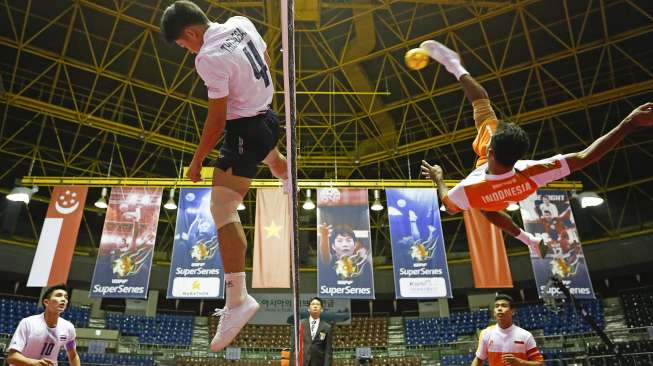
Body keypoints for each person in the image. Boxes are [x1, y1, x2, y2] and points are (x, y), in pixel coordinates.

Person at [418, 40, 653, 257]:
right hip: (513, 190)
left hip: (489, 189)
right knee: (485, 208)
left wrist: (438, 178)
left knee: (483, 108)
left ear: (490, 150)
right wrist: (628, 124)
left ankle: (454, 65)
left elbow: (449, 206)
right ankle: (530, 240)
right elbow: (586, 157)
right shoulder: (531, 172)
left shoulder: (470, 188)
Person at [160, 1, 288, 352]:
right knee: (270, 154)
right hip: (268, 116)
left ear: (190, 32)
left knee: (223, 207)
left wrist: (196, 162)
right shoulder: (240, 22)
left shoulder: (208, 58)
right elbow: (260, 58)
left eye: (183, 45)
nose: (187, 52)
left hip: (245, 127)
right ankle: (285, 175)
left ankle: (237, 300)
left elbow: (216, 124)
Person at [7, 284, 80, 366]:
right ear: (46, 302)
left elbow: (73, 355)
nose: (63, 299)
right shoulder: (28, 323)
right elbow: (12, 357)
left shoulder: (69, 328)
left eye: (66, 297)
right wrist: (35, 363)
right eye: (59, 295)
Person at [471, 294, 544, 366]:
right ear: (494, 312)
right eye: (497, 306)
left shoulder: (525, 335)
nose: (499, 308)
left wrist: (520, 362)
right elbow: (479, 359)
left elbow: (540, 364)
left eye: (504, 305)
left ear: (513, 311)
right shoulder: (486, 333)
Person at [292, 297, 334, 366]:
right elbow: (294, 347)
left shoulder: (327, 327)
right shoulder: (299, 324)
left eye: (317, 304)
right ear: (308, 309)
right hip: (302, 362)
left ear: (322, 309)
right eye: (313, 304)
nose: (315, 306)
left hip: (318, 363)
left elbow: (328, 350)